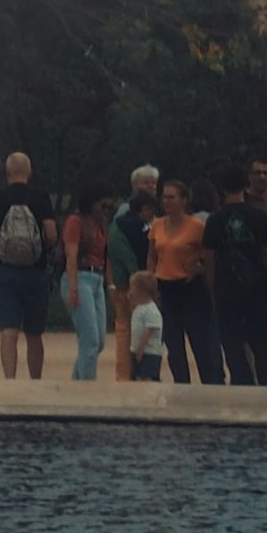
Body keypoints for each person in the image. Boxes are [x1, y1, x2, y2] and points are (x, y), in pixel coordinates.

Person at [0, 146, 58, 381]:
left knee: (9, 329)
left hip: (5, 272)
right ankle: (35, 380)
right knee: (34, 333)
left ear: (7, 171)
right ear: (29, 172)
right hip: (35, 272)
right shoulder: (40, 197)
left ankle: (10, 381)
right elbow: (52, 234)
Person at [205, 163, 267, 385]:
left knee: (233, 346)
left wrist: (214, 288)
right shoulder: (259, 215)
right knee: (263, 349)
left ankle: (242, 389)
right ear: (245, 185)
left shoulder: (215, 220)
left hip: (228, 286)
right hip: (260, 286)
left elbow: (209, 258)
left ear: (221, 189)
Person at [145, 175, 222, 385]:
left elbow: (210, 255)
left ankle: (209, 384)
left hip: (190, 288)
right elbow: (152, 254)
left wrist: (200, 270)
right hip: (165, 287)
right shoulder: (157, 225)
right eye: (164, 198)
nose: (166, 202)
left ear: (184, 200)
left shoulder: (197, 226)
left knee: (199, 342)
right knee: (173, 343)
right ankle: (181, 384)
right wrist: (150, 278)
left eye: (172, 197)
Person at [106, 162, 163, 378]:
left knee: (137, 330)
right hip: (133, 284)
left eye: (153, 183)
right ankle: (130, 374)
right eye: (146, 182)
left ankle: (137, 374)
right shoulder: (125, 214)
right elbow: (116, 251)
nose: (150, 187)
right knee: (131, 330)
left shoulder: (153, 217)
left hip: (140, 282)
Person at [61, 186, 116, 380]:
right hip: (79, 277)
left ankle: (77, 383)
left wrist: (110, 285)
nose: (106, 209)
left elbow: (105, 256)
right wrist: (73, 287)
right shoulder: (76, 222)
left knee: (99, 341)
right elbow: (71, 255)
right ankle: (87, 386)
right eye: (103, 205)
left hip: (97, 278)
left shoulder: (101, 222)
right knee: (90, 340)